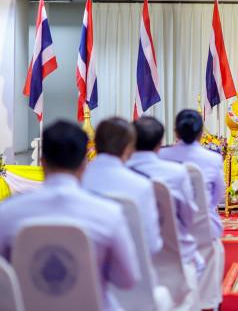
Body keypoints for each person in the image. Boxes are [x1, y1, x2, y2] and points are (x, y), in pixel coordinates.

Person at [0, 121, 140, 311]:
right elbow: (127, 280)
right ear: (84, 164)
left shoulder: (7, 212)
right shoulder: (109, 213)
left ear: (42, 161)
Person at [128, 116, 201, 308]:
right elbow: (188, 218)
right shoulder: (176, 173)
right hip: (174, 254)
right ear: (161, 142)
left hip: (129, 257)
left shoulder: (120, 173)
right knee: (199, 265)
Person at [159, 109, 225, 309]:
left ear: (175, 132)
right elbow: (217, 197)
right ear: (201, 133)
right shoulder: (213, 159)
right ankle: (208, 300)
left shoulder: (161, 155)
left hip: (167, 229)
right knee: (216, 249)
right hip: (203, 227)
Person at [82, 117, 162, 257]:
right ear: (130, 147)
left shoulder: (79, 183)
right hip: (130, 268)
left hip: (83, 267)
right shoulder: (141, 185)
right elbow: (152, 245)